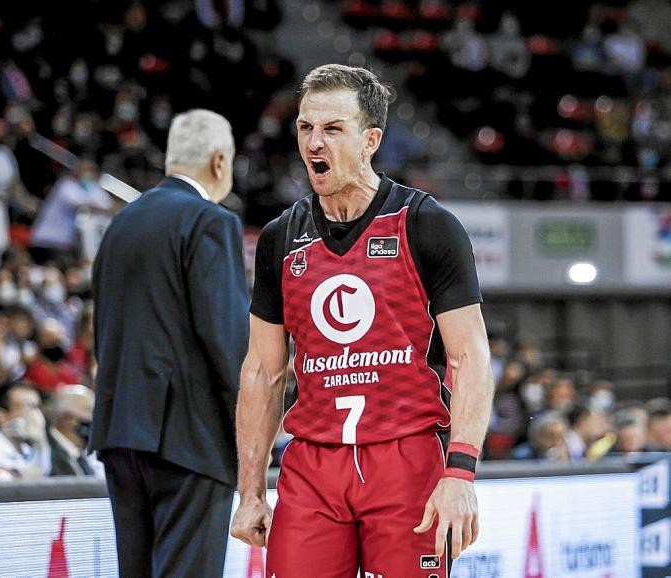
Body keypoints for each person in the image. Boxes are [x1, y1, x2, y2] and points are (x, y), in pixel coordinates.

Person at [231, 64, 494, 578]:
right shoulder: (281, 238)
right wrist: (249, 491)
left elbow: (470, 357)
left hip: (406, 457)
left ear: (371, 139)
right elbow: (262, 372)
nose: (314, 143)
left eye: (332, 129)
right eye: (306, 128)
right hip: (312, 465)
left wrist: (460, 471)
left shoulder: (428, 225)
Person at [90, 109, 249, 577]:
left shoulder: (120, 224)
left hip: (120, 435)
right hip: (189, 440)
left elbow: (105, 333)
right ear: (220, 162)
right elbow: (227, 341)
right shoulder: (210, 220)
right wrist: (256, 427)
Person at [48, 384, 103, 477]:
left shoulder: (79, 455)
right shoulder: (46, 453)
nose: (97, 419)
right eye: (90, 411)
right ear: (67, 419)